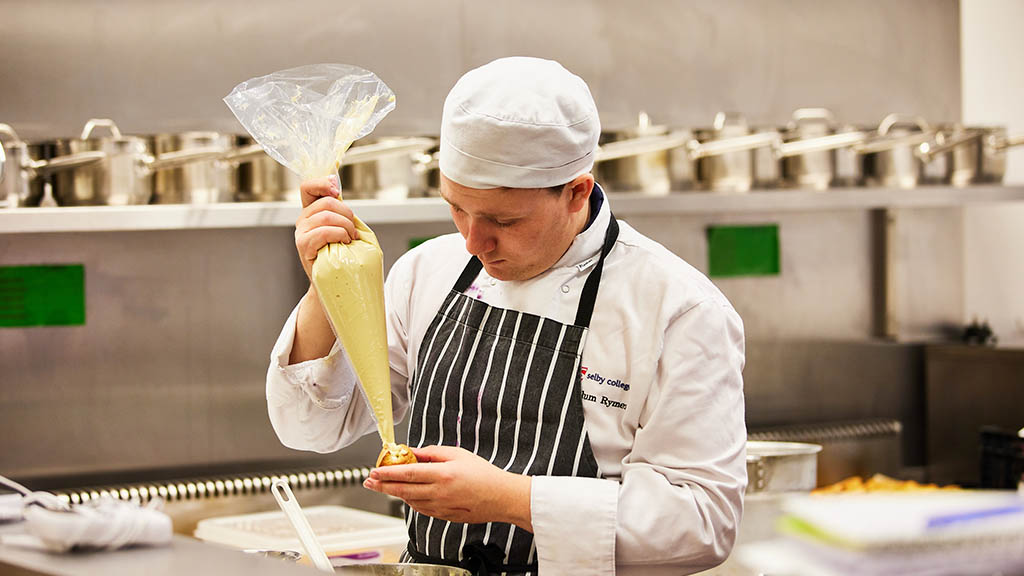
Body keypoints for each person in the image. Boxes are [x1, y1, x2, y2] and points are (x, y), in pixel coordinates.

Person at [267, 56, 746, 576]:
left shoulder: (678, 309)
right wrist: (325, 286)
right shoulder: (429, 270)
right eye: (456, 208)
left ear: (576, 192)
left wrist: (514, 499)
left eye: (502, 219)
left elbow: (703, 522)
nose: (473, 242)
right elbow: (313, 428)